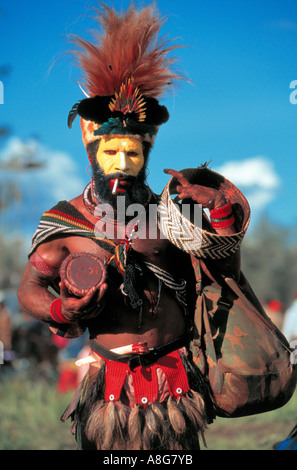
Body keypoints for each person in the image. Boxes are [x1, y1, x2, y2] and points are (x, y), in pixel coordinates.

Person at [17, 3, 264, 450]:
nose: (122, 166)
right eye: (111, 152)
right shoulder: (66, 220)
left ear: (146, 155)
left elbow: (220, 272)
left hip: (175, 381)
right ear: (93, 151)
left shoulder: (172, 212)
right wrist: (62, 312)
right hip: (107, 388)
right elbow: (29, 288)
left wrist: (220, 214)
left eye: (132, 154)